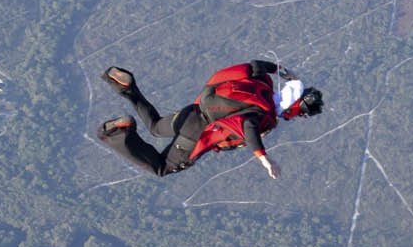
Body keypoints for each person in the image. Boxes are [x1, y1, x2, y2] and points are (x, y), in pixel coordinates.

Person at [95, 62, 320, 179]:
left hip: (193, 112)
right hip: (198, 134)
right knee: (162, 168)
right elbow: (248, 126)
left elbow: (250, 66)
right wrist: (265, 159)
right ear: (294, 105)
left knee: (155, 127)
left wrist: (280, 70)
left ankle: (126, 87)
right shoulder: (265, 115)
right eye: (301, 112)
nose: (298, 116)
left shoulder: (261, 85)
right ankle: (118, 132)